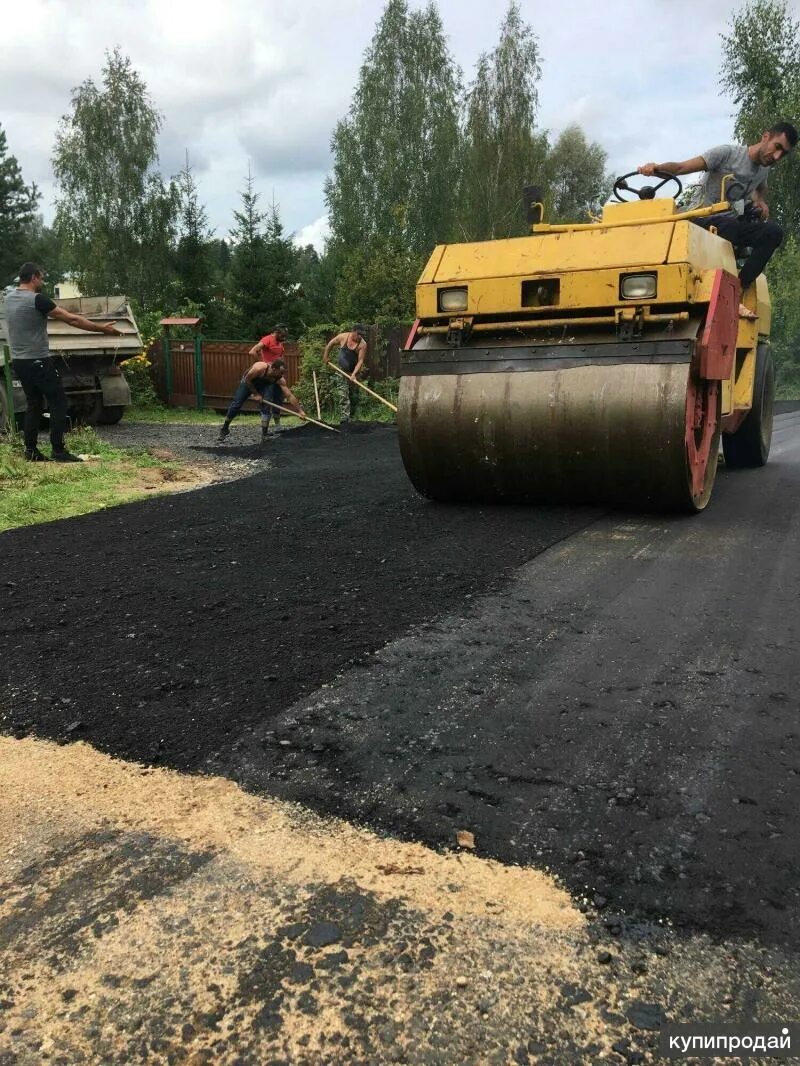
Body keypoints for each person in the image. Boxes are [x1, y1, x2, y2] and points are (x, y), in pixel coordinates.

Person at [638, 122, 797, 319]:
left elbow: (760, 188)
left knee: (773, 232)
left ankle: (737, 290)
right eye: (777, 147)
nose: (776, 157)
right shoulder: (727, 154)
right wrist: (656, 168)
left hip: (728, 227)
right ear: (765, 137)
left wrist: (761, 202)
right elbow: (681, 167)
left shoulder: (763, 170)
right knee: (729, 224)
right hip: (700, 221)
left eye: (783, 154)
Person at [3, 262, 121, 462]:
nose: (42, 281)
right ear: (33, 278)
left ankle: (30, 451)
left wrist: (75, 316)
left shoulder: (9, 298)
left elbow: (47, 316)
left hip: (20, 362)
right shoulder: (38, 299)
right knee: (59, 402)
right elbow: (72, 320)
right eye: (41, 277)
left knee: (35, 403)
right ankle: (58, 451)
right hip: (38, 360)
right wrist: (103, 329)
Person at [217, 358, 305, 443]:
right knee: (236, 404)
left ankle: (264, 435)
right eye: (281, 372)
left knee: (266, 405)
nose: (282, 375)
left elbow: (289, 395)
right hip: (247, 383)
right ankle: (225, 428)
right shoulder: (259, 368)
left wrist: (300, 411)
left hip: (261, 387)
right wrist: (255, 394)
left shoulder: (280, 379)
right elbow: (247, 379)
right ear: (273, 368)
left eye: (283, 373)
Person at [322, 325, 367, 427]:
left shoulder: (363, 344)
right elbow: (330, 344)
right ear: (353, 331)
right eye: (359, 334)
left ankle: (354, 418)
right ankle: (345, 419)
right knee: (343, 394)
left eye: (362, 335)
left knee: (354, 395)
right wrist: (325, 356)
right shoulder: (343, 337)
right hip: (341, 371)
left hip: (354, 372)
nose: (360, 337)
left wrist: (354, 374)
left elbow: (360, 361)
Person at [248, 324, 288, 426]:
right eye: (283, 336)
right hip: (268, 376)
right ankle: (264, 432)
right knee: (266, 401)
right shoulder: (267, 340)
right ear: (277, 333)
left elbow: (281, 359)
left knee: (278, 400)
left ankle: (278, 427)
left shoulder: (280, 344)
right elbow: (252, 351)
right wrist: (262, 364)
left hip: (277, 376)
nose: (284, 338)